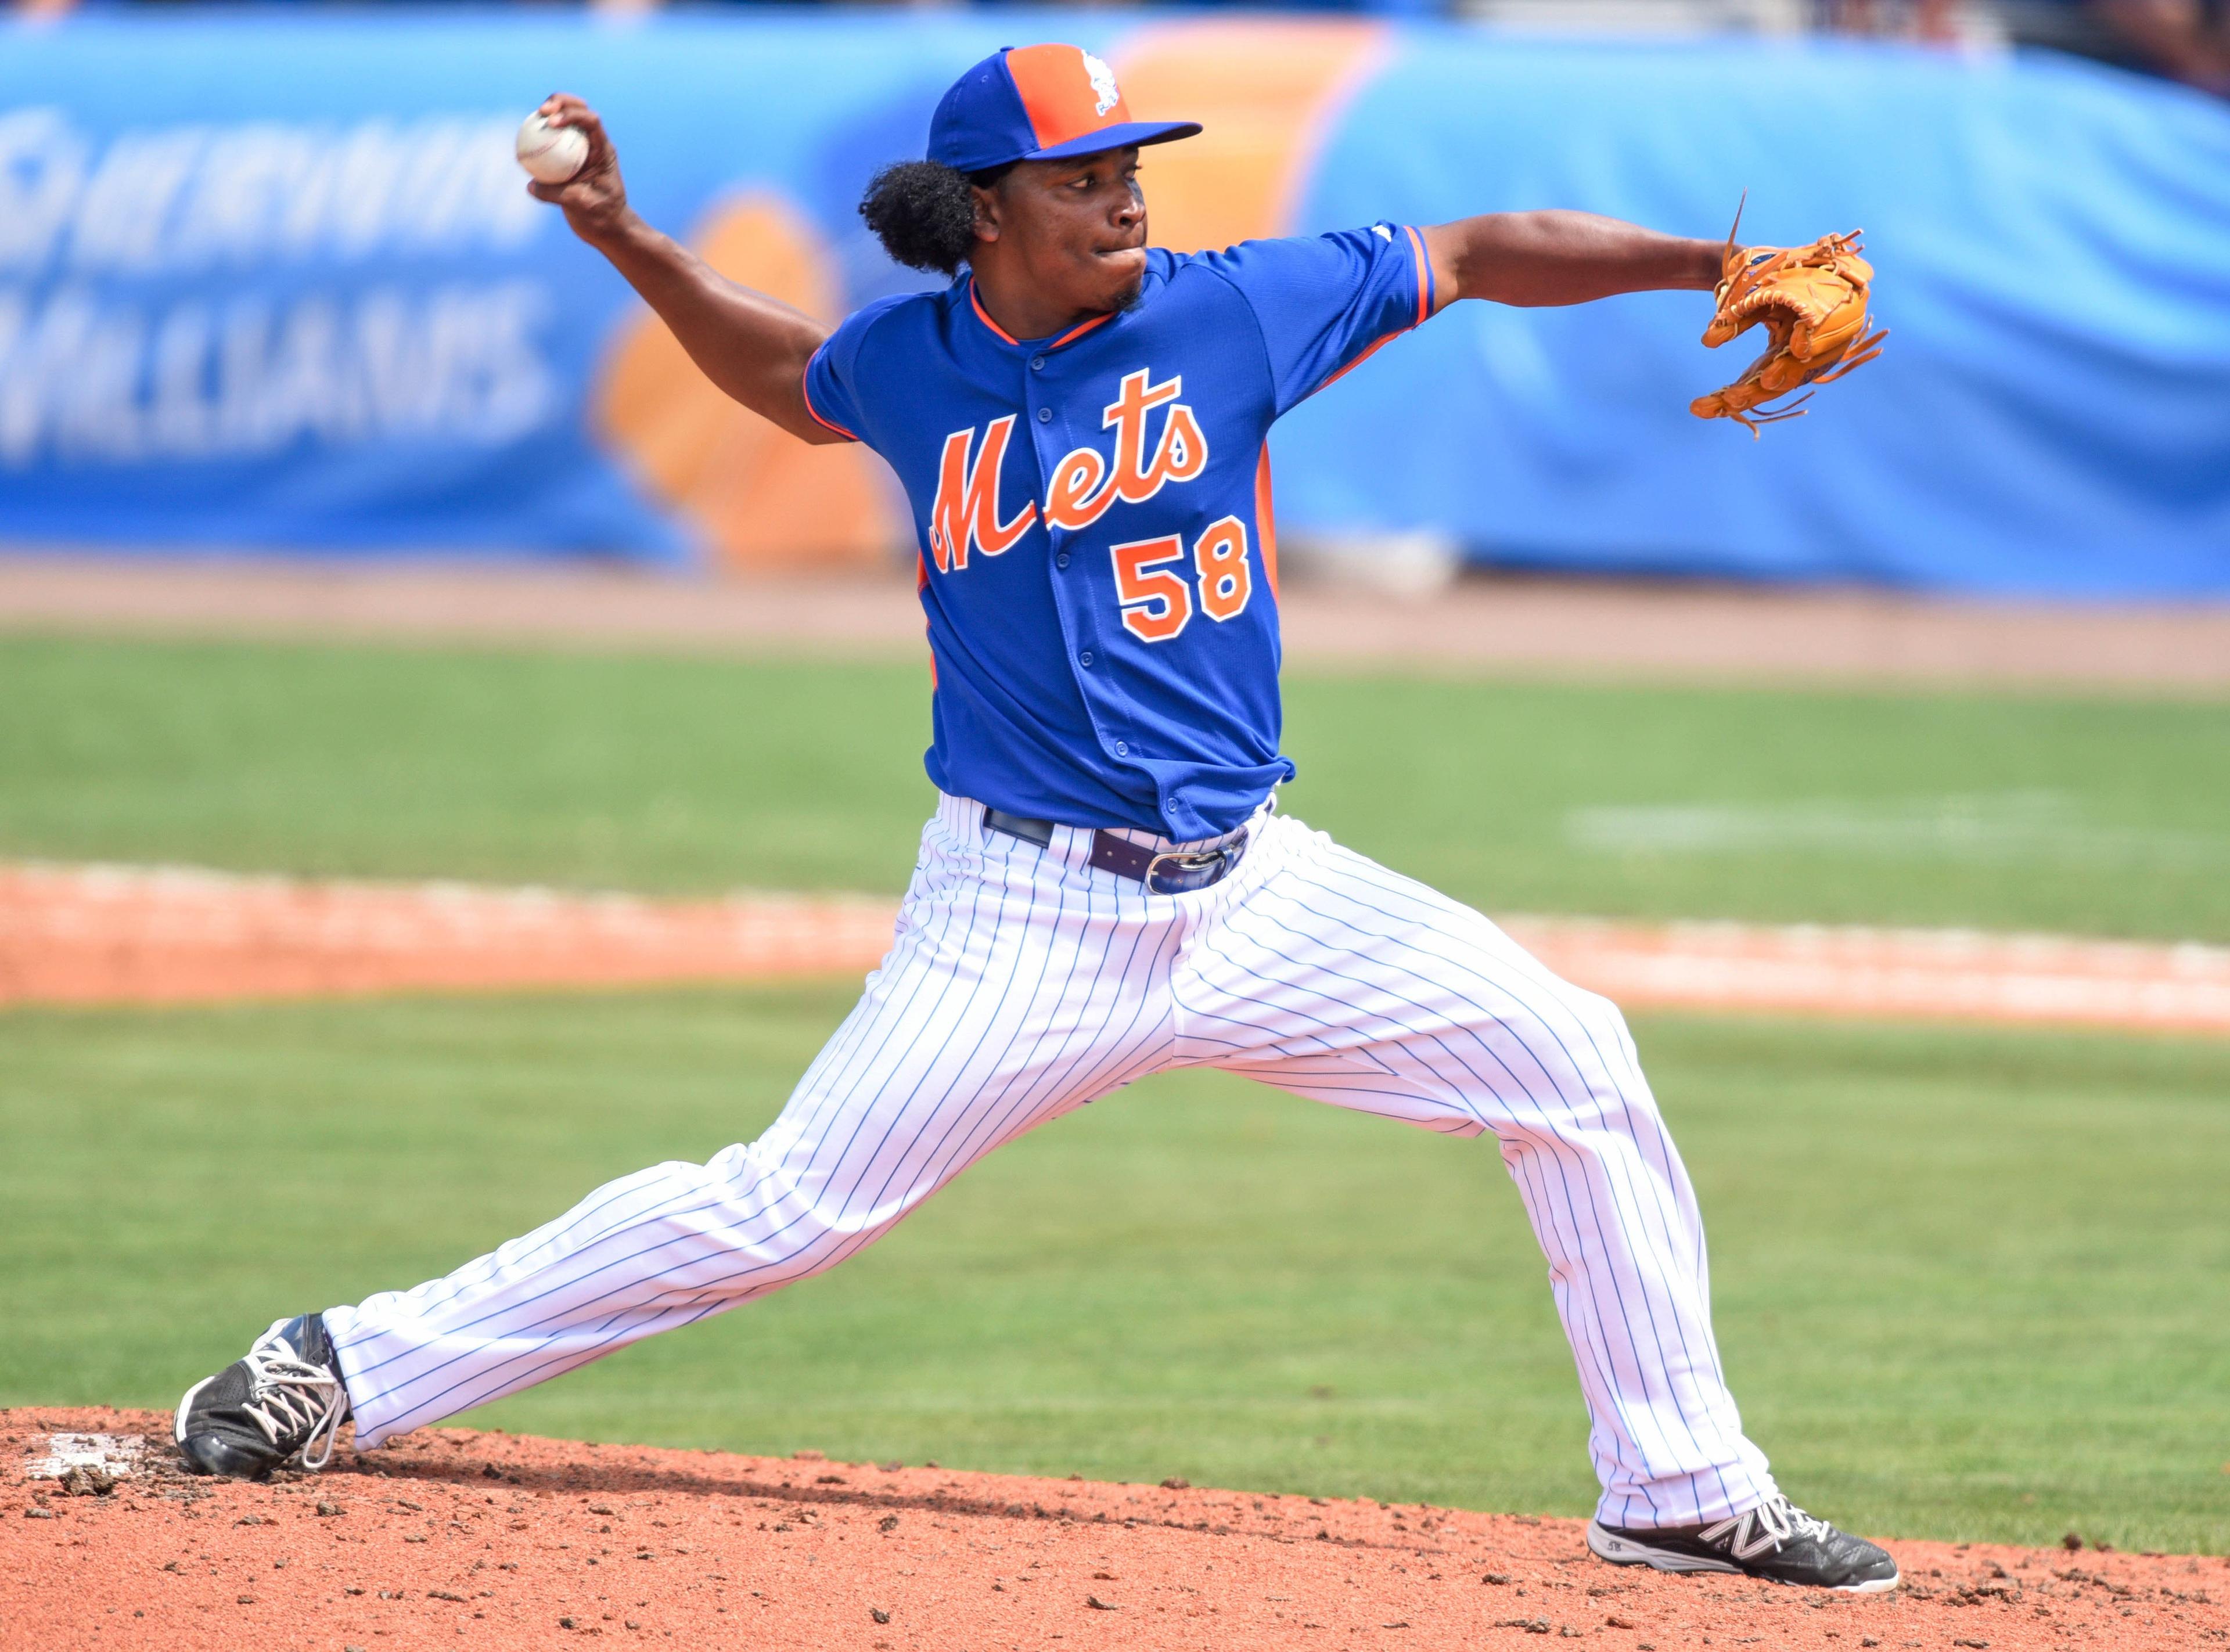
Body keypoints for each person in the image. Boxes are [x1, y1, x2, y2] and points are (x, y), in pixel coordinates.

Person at [175, 42, 1897, 1593]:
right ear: (984, 215)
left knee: (1577, 1067)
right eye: (1085, 178)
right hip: (1023, 919)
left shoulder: (1231, 309)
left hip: (1259, 894)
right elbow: (782, 377)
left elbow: (1471, 247)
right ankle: (337, 1364)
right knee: (779, 1212)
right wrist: (625, 240)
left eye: (1133, 165)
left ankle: (1677, 1486)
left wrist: (1713, 262)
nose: (1128, 195)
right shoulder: (911, 365)